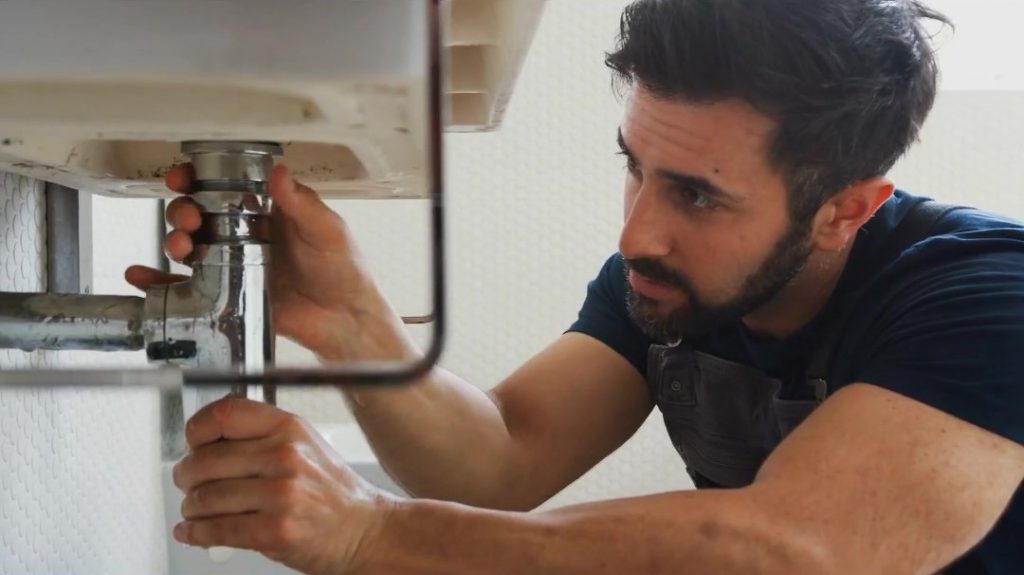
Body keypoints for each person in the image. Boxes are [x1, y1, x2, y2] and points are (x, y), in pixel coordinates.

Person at [127, 0, 1024, 573]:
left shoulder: (988, 295)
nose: (637, 231)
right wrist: (353, 323)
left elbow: (796, 550)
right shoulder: (676, 282)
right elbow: (502, 458)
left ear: (844, 211)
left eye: (698, 194)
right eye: (636, 167)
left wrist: (372, 533)